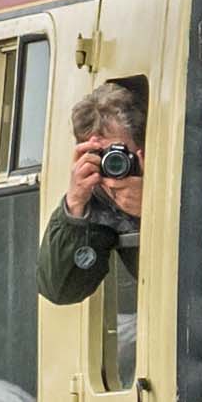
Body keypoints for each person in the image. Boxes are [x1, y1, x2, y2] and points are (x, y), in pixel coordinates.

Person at [36, 77, 144, 306]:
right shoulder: (95, 197)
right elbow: (61, 290)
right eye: (103, 155)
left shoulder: (177, 179)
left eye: (122, 153)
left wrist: (155, 207)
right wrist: (75, 206)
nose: (115, 165)